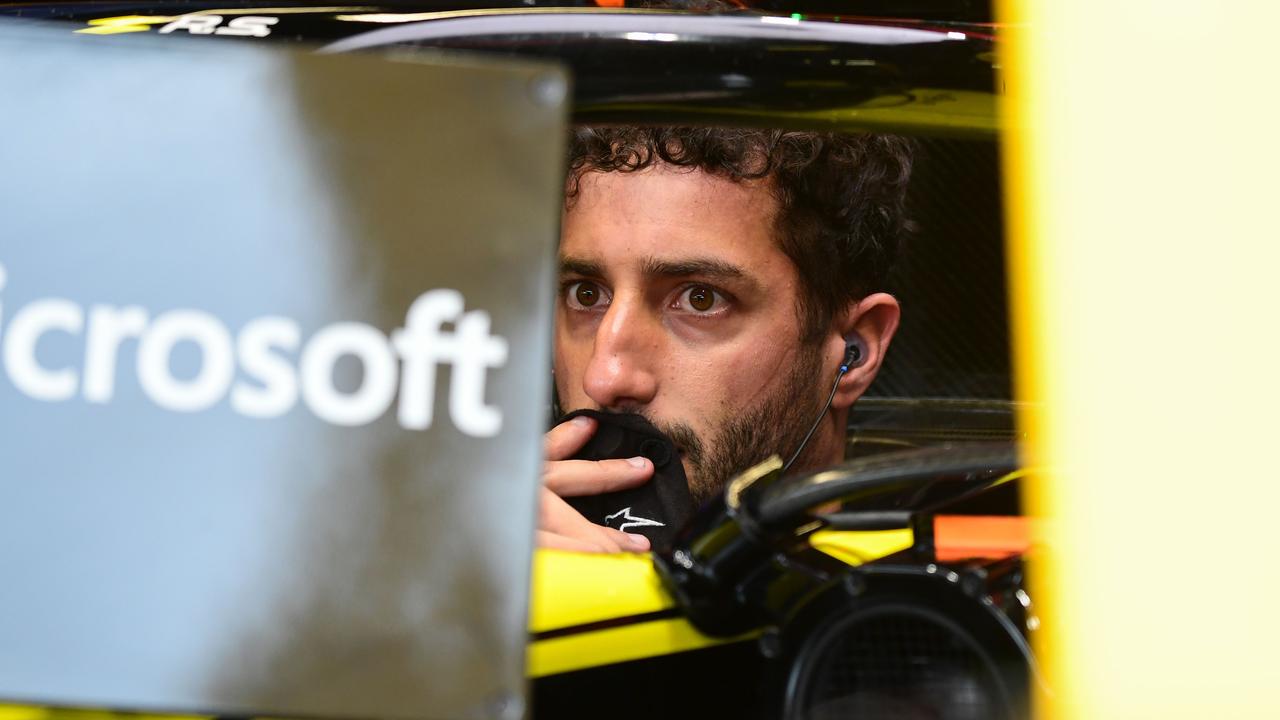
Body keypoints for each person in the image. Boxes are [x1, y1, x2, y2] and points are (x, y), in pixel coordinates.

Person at [537, 126, 913, 553]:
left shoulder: (948, 610)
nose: (605, 377)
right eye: (586, 294)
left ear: (854, 353)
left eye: (700, 299)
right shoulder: (482, 565)